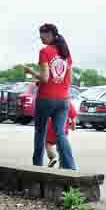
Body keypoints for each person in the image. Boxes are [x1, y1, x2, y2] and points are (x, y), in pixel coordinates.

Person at [25, 23, 76, 170]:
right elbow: (69, 79)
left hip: (46, 98)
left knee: (40, 132)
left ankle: (37, 166)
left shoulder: (45, 52)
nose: (41, 38)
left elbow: (45, 78)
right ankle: (70, 166)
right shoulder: (66, 54)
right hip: (63, 100)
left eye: (42, 35)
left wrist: (31, 72)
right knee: (61, 134)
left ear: (49, 35)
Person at [46, 101, 77, 168]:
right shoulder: (67, 102)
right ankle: (62, 164)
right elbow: (73, 117)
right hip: (62, 130)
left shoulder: (49, 101)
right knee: (61, 147)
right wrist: (73, 127)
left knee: (48, 144)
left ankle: (53, 157)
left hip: (49, 129)